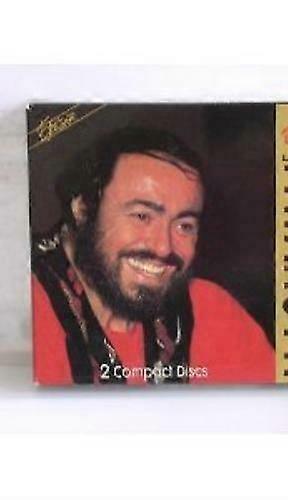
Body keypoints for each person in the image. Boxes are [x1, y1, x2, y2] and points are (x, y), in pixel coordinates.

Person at [31, 127, 275, 385]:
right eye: (142, 216)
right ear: (82, 209)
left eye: (184, 226)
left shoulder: (209, 309)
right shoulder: (28, 310)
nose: (163, 248)